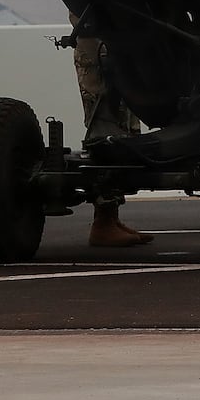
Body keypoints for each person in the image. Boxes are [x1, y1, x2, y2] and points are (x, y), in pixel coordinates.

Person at [72, 23, 153, 248]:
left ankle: (111, 219)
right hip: (100, 50)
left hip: (115, 45)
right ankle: (103, 223)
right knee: (107, 133)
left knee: (124, 132)